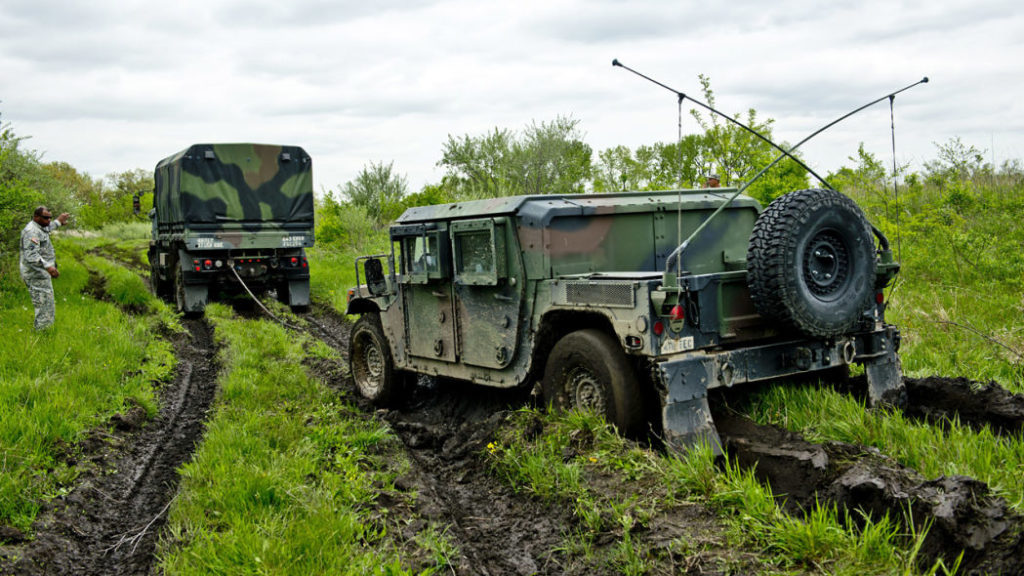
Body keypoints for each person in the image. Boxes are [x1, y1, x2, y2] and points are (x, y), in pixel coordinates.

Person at [19, 206, 70, 330]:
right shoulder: (32, 231)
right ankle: (42, 334)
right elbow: (31, 255)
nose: (48, 220)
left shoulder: (40, 227)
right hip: (35, 274)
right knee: (44, 305)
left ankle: (44, 331)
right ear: (36, 217)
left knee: (47, 303)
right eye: (46, 218)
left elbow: (48, 228)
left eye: (50, 218)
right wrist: (48, 267)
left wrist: (58, 222)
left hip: (41, 274)